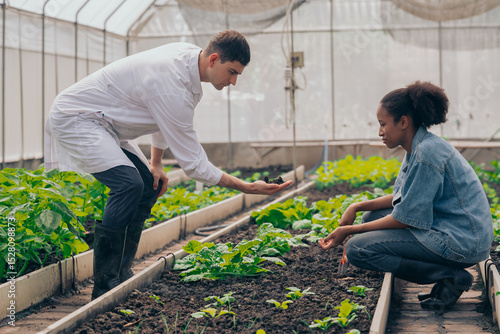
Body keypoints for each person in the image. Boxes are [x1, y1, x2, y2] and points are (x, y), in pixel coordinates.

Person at [44, 30, 292, 300]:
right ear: (214, 59)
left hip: (106, 122)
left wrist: (157, 163)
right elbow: (194, 163)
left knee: (149, 186)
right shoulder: (171, 83)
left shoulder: (188, 64)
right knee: (128, 185)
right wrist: (246, 187)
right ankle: (105, 286)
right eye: (232, 72)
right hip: (77, 117)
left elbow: (162, 117)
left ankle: (121, 272)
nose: (233, 81)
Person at [319, 81, 493, 310]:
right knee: (371, 217)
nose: (380, 132)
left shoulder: (426, 154)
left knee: (357, 249)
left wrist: (349, 231)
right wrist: (356, 207)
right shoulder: (419, 146)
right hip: (453, 229)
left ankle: (450, 275)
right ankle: (445, 275)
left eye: (383, 124)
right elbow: (401, 197)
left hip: (462, 242)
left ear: (403, 122)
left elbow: (404, 218)